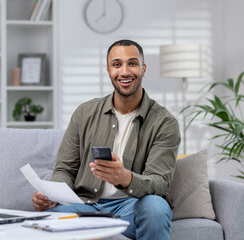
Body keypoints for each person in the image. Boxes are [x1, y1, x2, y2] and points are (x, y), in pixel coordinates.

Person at [32, 39, 181, 240]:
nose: (125, 72)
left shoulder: (164, 122)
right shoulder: (84, 113)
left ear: (143, 69)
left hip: (132, 206)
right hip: (85, 204)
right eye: (117, 64)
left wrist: (125, 178)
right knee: (49, 219)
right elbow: (65, 169)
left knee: (156, 207)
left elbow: (160, 182)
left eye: (133, 63)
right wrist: (52, 196)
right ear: (108, 70)